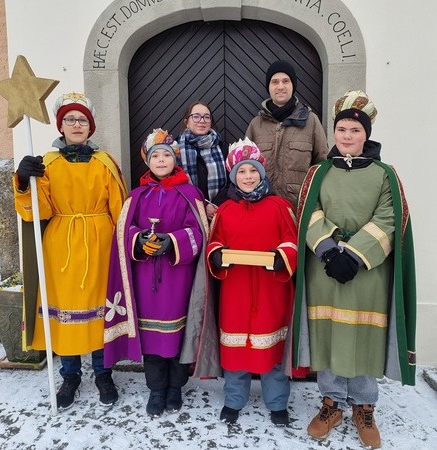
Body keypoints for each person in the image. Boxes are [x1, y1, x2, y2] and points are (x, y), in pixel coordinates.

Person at [290, 91, 416, 449]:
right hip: (326, 269)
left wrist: (356, 255)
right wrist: (330, 251)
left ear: (366, 134)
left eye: (355, 130)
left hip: (367, 272)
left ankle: (364, 405)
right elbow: (308, 211)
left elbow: (390, 218)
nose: (347, 136)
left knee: (364, 336)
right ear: (334, 132)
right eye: (342, 129)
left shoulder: (385, 174)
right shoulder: (318, 173)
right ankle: (331, 402)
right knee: (329, 334)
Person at [13, 92, 128, 409]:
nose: (76, 125)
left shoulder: (105, 163)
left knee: (100, 311)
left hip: (100, 241)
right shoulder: (47, 164)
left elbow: (119, 208)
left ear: (90, 127)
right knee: (65, 312)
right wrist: (23, 181)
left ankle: (103, 374)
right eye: (70, 119)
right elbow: (37, 211)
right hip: (61, 244)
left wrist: (124, 244)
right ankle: (70, 376)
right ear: (60, 126)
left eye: (82, 120)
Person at [103, 128, 220, 418]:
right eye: (155, 156)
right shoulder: (136, 195)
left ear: (175, 160)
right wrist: (138, 239)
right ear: (148, 161)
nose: (161, 160)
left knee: (178, 336)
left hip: (178, 277)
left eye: (166, 155)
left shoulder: (190, 193)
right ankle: (156, 389)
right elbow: (123, 232)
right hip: (145, 277)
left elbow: (199, 232)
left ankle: (175, 387)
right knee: (152, 339)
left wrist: (172, 241)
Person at [207, 137, 298, 426]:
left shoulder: (279, 206)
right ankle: (234, 400)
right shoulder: (225, 209)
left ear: (261, 173)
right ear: (234, 176)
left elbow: (292, 241)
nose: (248, 177)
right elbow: (214, 241)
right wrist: (216, 254)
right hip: (236, 289)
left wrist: (282, 256)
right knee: (235, 349)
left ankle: (277, 403)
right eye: (242, 172)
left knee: (271, 347)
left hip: (272, 289)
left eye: (253, 171)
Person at [246, 59, 328, 206]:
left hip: (298, 208)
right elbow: (244, 166)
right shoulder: (256, 125)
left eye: (286, 81)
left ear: (293, 85)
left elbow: (321, 164)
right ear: (269, 87)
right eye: (275, 82)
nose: (280, 86)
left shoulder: (311, 121)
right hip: (263, 207)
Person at [177, 101, 227, 219]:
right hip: (187, 212)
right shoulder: (175, 150)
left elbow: (232, 182)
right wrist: (202, 205)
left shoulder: (222, 148)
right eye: (196, 116)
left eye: (206, 117)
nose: (202, 120)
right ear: (186, 122)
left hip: (218, 211)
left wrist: (214, 205)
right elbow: (174, 184)